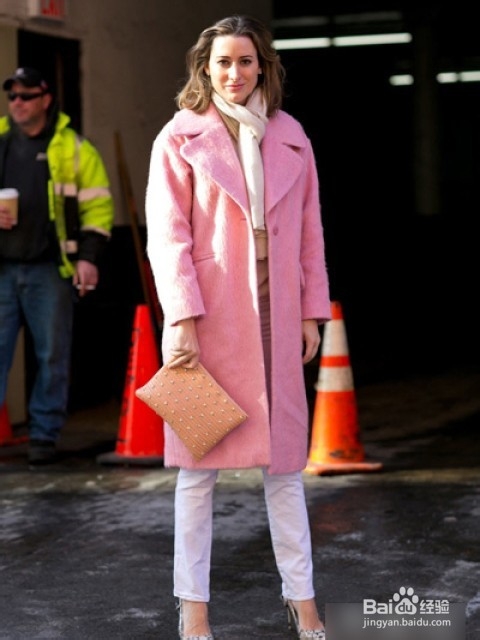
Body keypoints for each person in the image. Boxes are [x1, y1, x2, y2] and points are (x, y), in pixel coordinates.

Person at [145, 15, 330, 640]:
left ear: (262, 67)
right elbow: (167, 237)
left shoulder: (291, 136)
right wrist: (181, 319)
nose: (234, 73)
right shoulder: (179, 137)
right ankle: (193, 608)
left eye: (245, 61)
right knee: (198, 473)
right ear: (205, 68)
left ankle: (303, 600)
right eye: (222, 62)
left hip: (278, 312)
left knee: (286, 468)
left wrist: (312, 311)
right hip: (211, 315)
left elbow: (310, 232)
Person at [0, 67, 114, 464]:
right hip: (2, 270)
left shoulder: (74, 148)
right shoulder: (0, 140)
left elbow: (98, 207)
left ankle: (43, 437)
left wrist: (88, 258)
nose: (17, 103)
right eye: (12, 96)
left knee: (52, 355)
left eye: (26, 95)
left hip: (50, 269)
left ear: (45, 100)